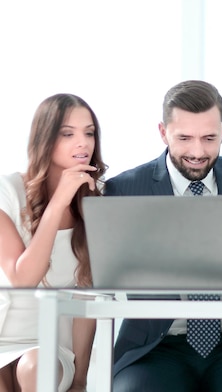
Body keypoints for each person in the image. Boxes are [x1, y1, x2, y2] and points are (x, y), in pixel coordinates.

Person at [106, 80, 222, 392]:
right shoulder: (123, 190)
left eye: (209, 138)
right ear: (162, 131)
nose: (198, 152)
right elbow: (108, 276)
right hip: (157, 348)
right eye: (184, 138)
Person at [0, 93, 106, 391]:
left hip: (49, 346)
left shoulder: (98, 203)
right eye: (67, 134)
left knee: (36, 367)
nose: (83, 143)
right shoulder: (7, 190)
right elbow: (22, 278)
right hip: (3, 336)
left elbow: (88, 300)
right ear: (44, 139)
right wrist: (59, 200)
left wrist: (81, 380)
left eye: (89, 133)